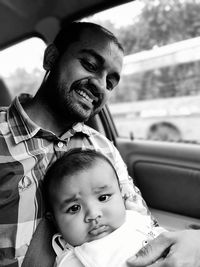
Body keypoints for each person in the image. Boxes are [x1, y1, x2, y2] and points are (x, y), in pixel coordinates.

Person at [0, 21, 152, 267]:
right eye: (90, 65)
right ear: (51, 58)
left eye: (111, 83)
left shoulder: (102, 147)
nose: (100, 85)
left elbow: (142, 226)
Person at [43, 148, 165, 267]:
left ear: (122, 195)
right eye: (74, 208)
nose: (93, 214)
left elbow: (163, 237)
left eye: (103, 198)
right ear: (54, 220)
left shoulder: (135, 218)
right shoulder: (73, 261)